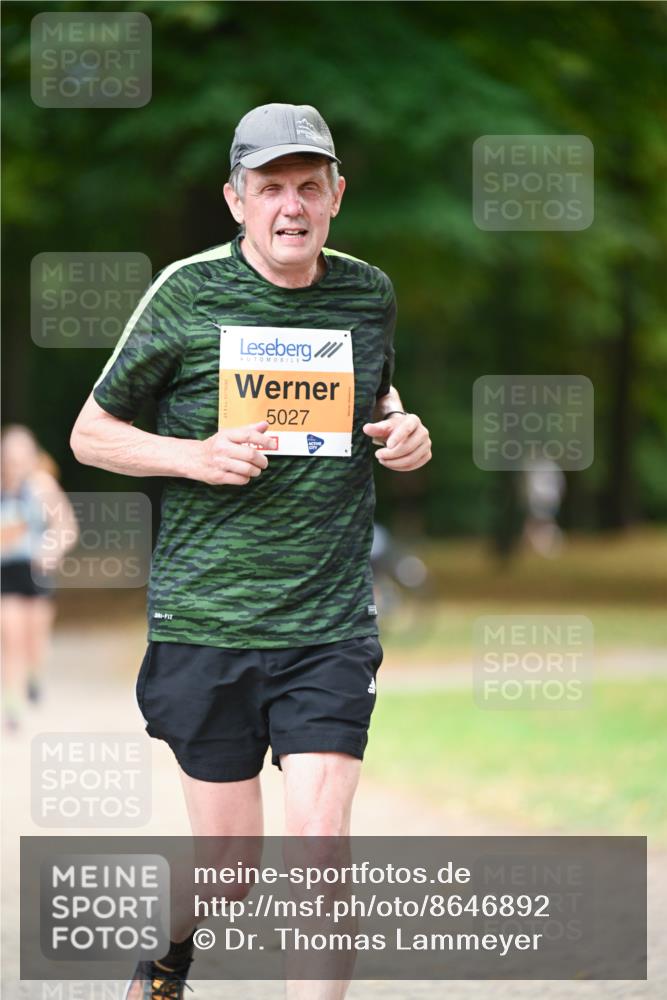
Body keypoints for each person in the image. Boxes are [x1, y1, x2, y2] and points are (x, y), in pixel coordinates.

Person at [70, 102, 432, 1000]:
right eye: (270, 186)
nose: (291, 205)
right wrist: (192, 455)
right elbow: (90, 433)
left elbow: (375, 392)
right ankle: (166, 957)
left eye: (309, 185)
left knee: (319, 844)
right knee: (230, 867)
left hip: (327, 622)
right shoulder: (185, 293)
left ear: (336, 195)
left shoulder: (367, 291)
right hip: (208, 619)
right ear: (236, 200)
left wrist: (399, 428)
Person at [1, 425, 79, 729]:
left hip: (36, 568)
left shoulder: (42, 486)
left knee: (34, 636)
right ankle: (12, 704)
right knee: (11, 635)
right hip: (5, 569)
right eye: (11, 454)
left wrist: (51, 551)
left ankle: (34, 676)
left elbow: (66, 526)